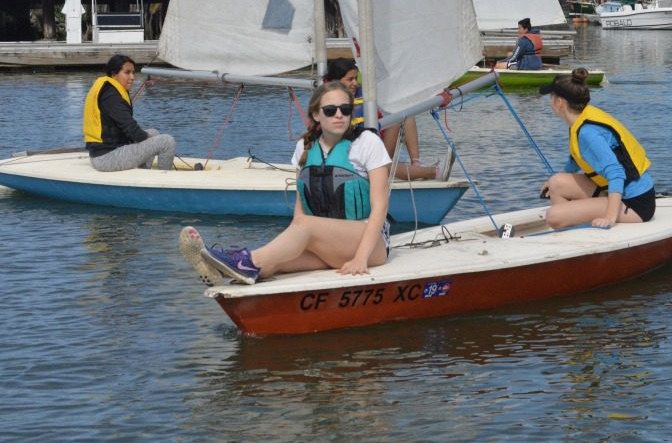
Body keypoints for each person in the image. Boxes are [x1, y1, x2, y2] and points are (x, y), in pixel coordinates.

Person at [179, 81, 392, 285]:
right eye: (330, 110)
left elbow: (380, 207)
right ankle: (218, 271)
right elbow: (300, 212)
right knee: (273, 264)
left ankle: (243, 260)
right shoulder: (304, 147)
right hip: (329, 245)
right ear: (317, 115)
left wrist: (361, 258)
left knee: (302, 228)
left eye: (345, 109)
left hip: (371, 244)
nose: (339, 115)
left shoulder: (367, 142)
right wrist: (296, 244)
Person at [537, 68, 656, 230]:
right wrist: (553, 181)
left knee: (554, 216)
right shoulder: (579, 119)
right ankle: (570, 226)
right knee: (556, 183)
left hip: (635, 203)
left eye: (551, 97)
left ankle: (568, 222)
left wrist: (609, 217)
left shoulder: (588, 133)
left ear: (559, 103)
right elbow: (575, 158)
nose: (550, 101)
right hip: (615, 192)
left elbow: (617, 174)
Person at [323, 58, 454, 181]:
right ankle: (435, 172)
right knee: (381, 167)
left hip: (371, 149)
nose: (355, 83)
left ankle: (416, 163)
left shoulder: (365, 92)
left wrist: (434, 96)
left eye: (356, 78)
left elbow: (400, 96)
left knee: (403, 115)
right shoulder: (328, 104)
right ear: (336, 81)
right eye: (350, 79)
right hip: (349, 161)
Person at [83, 54, 176, 171]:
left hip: (108, 152)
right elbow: (131, 129)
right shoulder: (111, 96)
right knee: (167, 142)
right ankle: (165, 181)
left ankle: (143, 173)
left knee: (155, 133)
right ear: (114, 74)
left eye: (133, 72)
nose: (132, 77)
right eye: (127, 73)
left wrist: (149, 137)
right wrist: (147, 138)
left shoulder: (110, 90)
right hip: (106, 158)